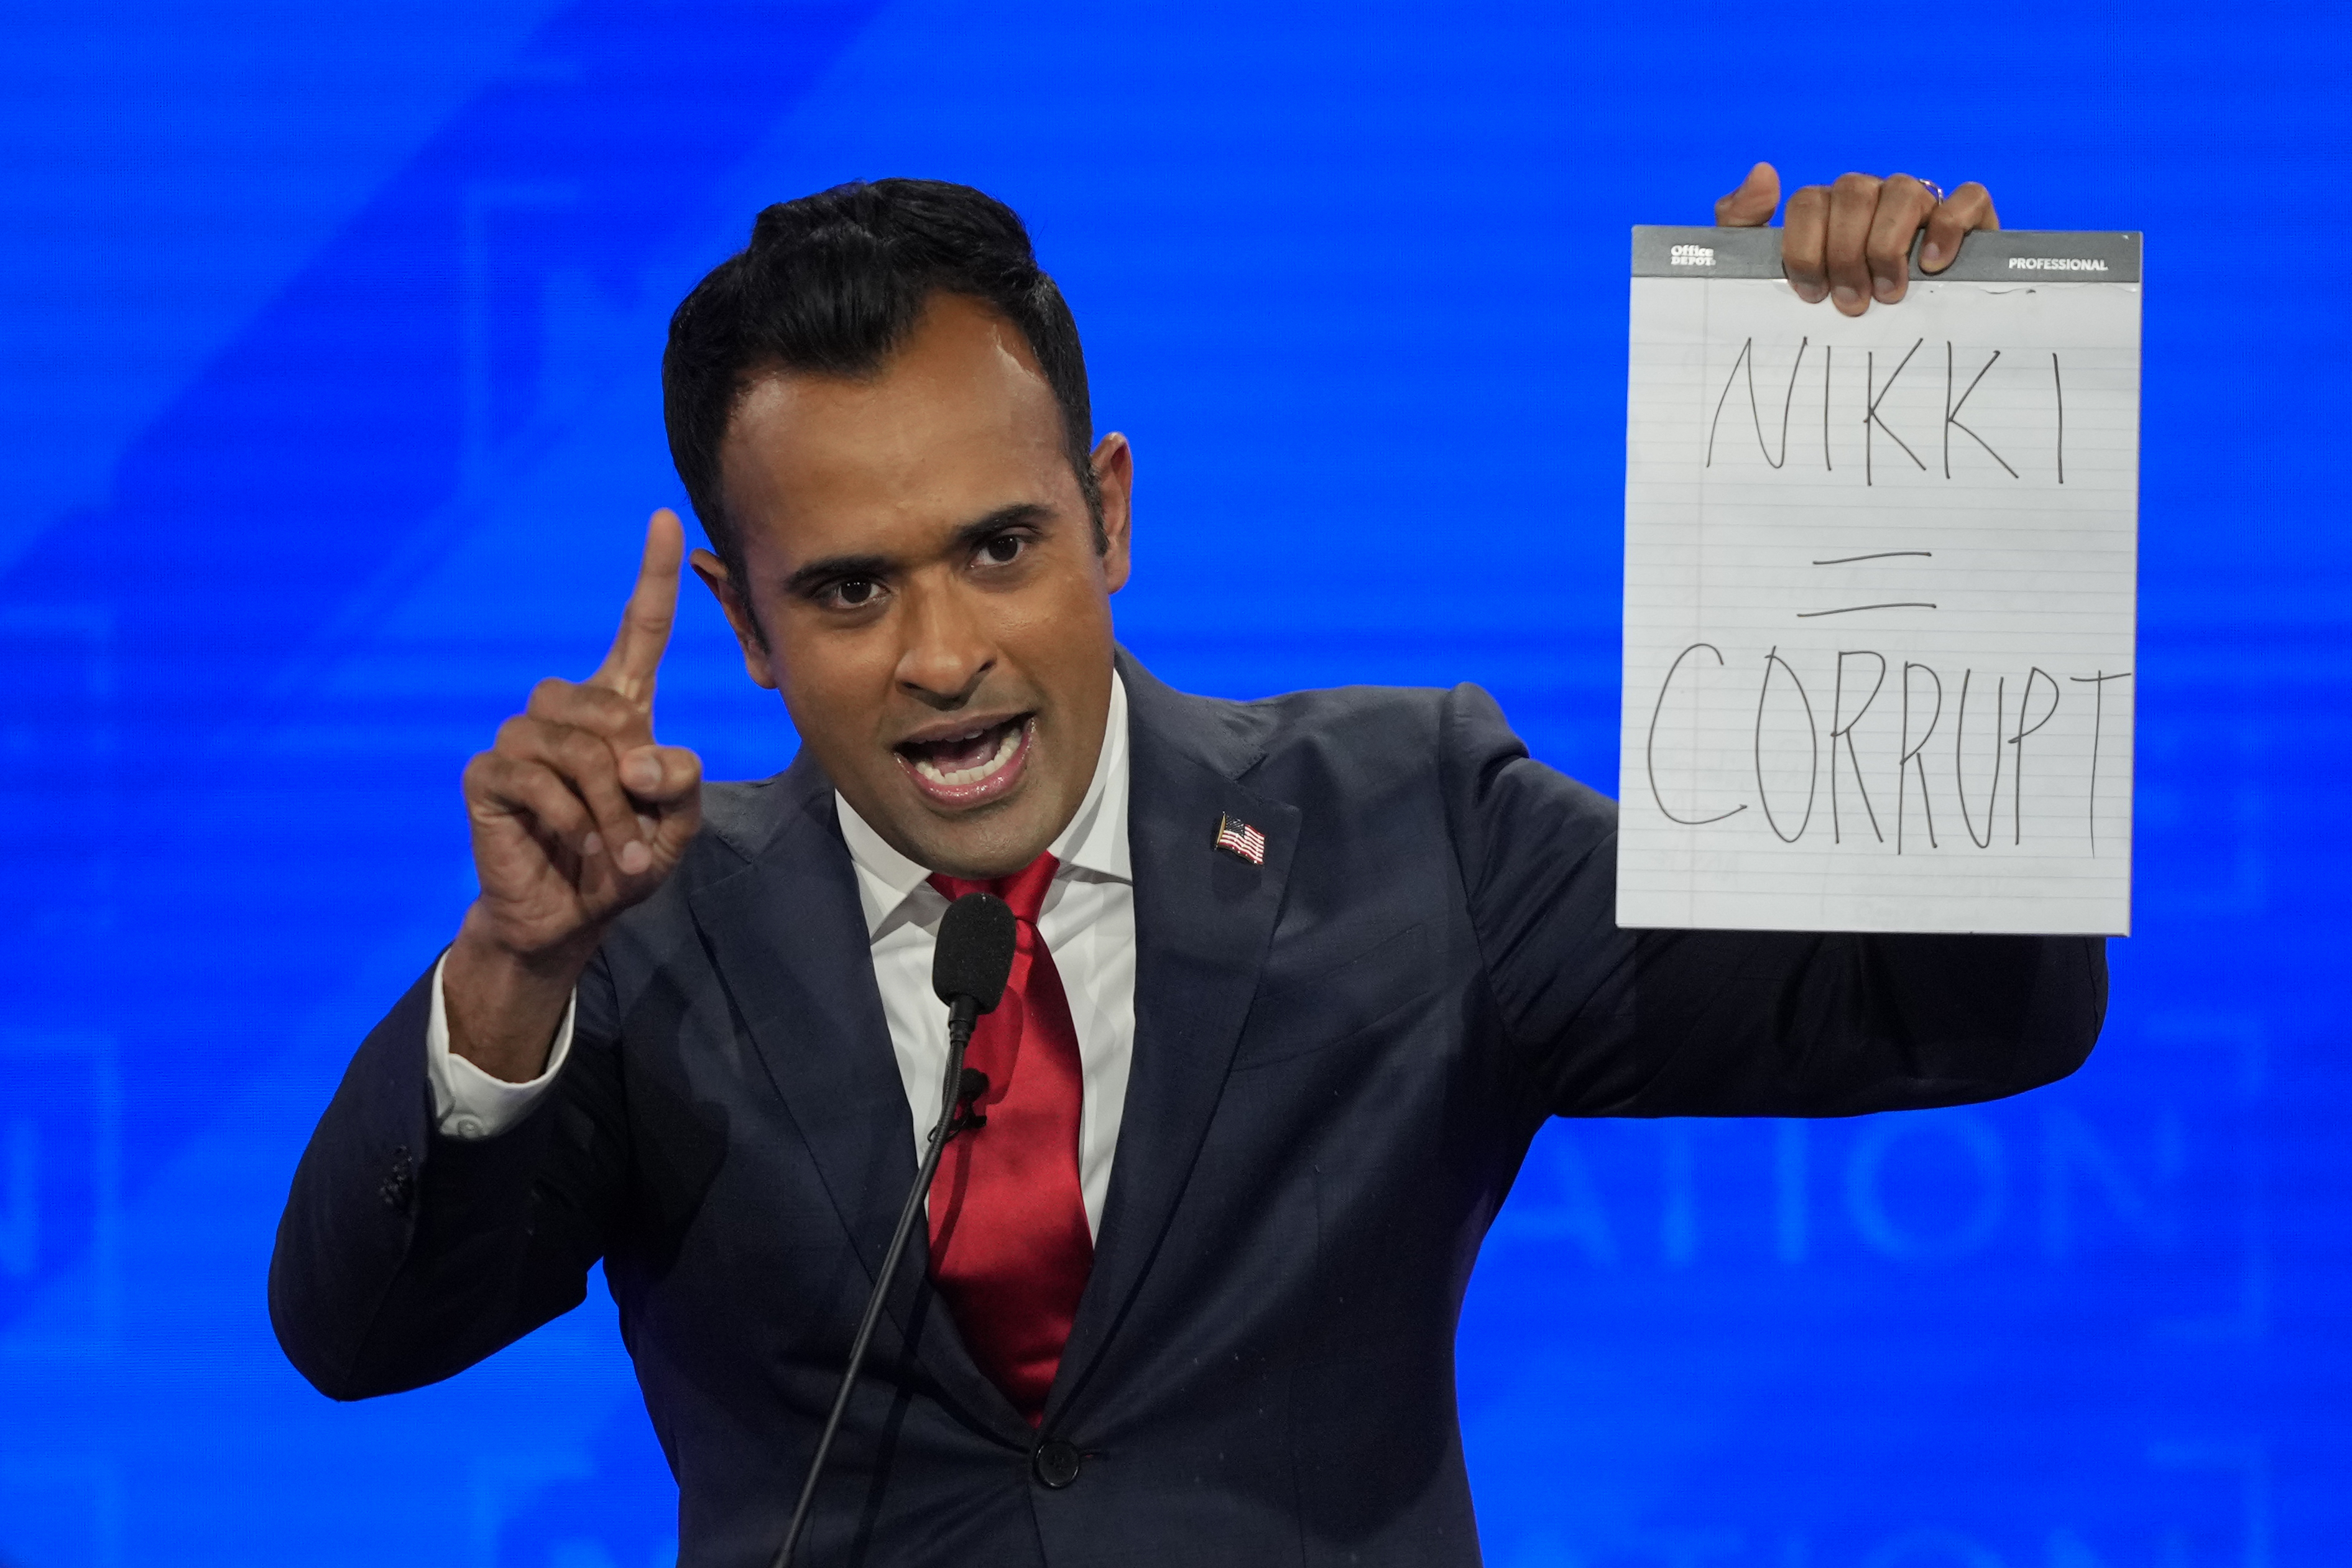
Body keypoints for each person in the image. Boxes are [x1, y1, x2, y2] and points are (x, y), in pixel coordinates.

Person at [270, 164, 2101, 1567]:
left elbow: (1940, 1012)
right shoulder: (647, 932)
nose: (942, 653)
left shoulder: (1413, 824)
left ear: (1112, 512)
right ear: (749, 626)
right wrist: (512, 973)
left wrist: (1888, 506)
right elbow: (359, 1335)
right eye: (848, 588)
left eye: (1001, 547)